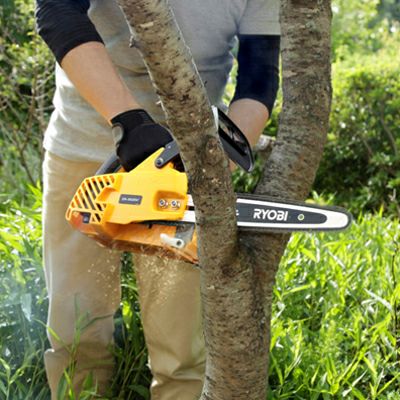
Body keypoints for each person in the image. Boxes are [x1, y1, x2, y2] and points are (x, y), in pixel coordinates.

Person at [35, 0, 280, 399]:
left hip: (182, 170)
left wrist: (214, 163)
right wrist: (129, 122)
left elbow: (260, 78)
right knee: (75, 332)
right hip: (84, 151)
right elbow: (56, 13)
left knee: (181, 352)